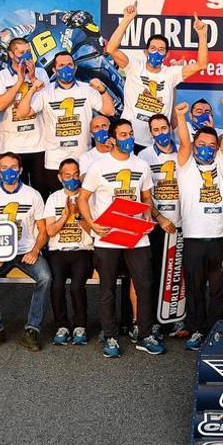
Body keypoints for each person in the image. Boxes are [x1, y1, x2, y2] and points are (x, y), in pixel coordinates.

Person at [78, 119, 164, 358]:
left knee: (145, 285)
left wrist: (147, 218)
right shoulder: (98, 166)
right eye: (123, 134)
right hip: (108, 236)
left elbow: (146, 197)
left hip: (136, 234)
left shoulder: (142, 164)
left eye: (130, 134)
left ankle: (144, 334)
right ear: (113, 139)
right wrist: (92, 224)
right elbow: (82, 199)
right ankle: (111, 337)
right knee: (107, 289)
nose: (128, 138)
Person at [174, 99, 223, 350]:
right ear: (194, 144)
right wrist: (180, 117)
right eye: (201, 144)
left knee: (221, 290)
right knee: (196, 289)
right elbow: (183, 142)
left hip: (222, 238)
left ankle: (215, 329)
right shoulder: (186, 165)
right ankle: (197, 329)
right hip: (194, 239)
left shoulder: (221, 164)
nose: (207, 148)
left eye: (212, 145)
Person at [107, 5, 210, 151]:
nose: (156, 52)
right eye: (153, 49)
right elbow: (111, 49)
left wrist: (202, 35)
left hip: (158, 143)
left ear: (167, 54)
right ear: (145, 51)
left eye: (161, 50)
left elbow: (202, 64)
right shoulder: (135, 66)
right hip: (131, 139)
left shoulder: (171, 73)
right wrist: (127, 20)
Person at [0, 153, 51, 351]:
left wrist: (36, 250)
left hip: (27, 250)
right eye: (4, 167)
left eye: (13, 167)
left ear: (20, 170)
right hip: (1, 253)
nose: (9, 171)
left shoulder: (33, 194)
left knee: (45, 277)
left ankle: (32, 330)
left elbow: (43, 230)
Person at [34, 50, 114, 190]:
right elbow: (23, 113)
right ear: (54, 69)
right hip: (54, 160)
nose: (66, 68)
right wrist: (31, 90)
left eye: (70, 64)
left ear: (75, 67)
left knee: (85, 202)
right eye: (61, 65)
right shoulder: (45, 92)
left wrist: (102, 90)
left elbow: (109, 111)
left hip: (83, 158)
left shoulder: (87, 89)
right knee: (58, 203)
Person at [138, 112, 183, 333]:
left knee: (180, 273)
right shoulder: (144, 157)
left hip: (183, 224)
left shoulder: (184, 152)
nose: (161, 133)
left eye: (164, 128)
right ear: (151, 133)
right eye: (156, 130)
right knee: (156, 273)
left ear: (170, 128)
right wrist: (159, 217)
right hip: (158, 225)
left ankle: (180, 319)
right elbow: (143, 196)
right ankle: (156, 321)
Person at [43, 158, 94, 346]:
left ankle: (80, 326)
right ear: (60, 177)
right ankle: (62, 326)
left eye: (75, 175)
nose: (72, 179)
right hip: (58, 251)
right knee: (57, 286)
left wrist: (79, 215)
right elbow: (50, 231)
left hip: (83, 250)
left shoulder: (88, 197)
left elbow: (94, 231)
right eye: (67, 175)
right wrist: (66, 214)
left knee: (76, 287)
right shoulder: (53, 198)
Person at [0, 37, 49, 192]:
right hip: (12, 145)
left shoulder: (41, 72)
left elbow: (48, 100)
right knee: (16, 191)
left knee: (41, 190)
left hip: (39, 144)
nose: (26, 56)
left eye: (29, 52)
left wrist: (33, 78)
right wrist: (19, 81)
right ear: (11, 54)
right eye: (21, 52)